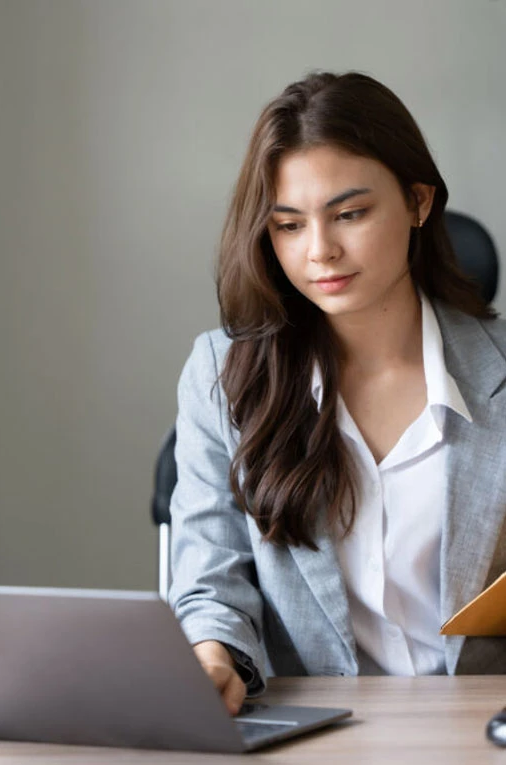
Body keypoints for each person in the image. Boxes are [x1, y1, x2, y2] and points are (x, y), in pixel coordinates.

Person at [168, 71, 506, 715]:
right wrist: (211, 657)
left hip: (485, 729)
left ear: (418, 202)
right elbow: (210, 582)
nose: (320, 251)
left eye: (350, 214)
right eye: (289, 225)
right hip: (321, 731)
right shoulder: (220, 377)